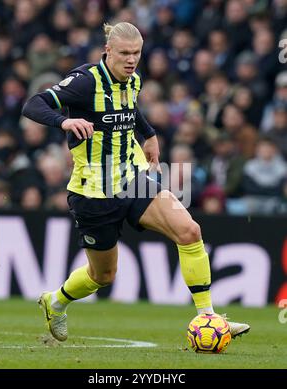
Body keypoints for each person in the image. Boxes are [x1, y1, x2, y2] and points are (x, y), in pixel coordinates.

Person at [22, 22, 250, 342]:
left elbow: (129, 108)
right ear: (108, 51)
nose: (131, 60)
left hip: (134, 178)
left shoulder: (134, 79)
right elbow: (33, 104)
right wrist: (65, 120)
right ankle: (56, 301)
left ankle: (208, 316)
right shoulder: (86, 82)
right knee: (103, 275)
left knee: (189, 231)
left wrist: (150, 134)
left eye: (137, 53)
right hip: (94, 192)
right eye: (125, 54)